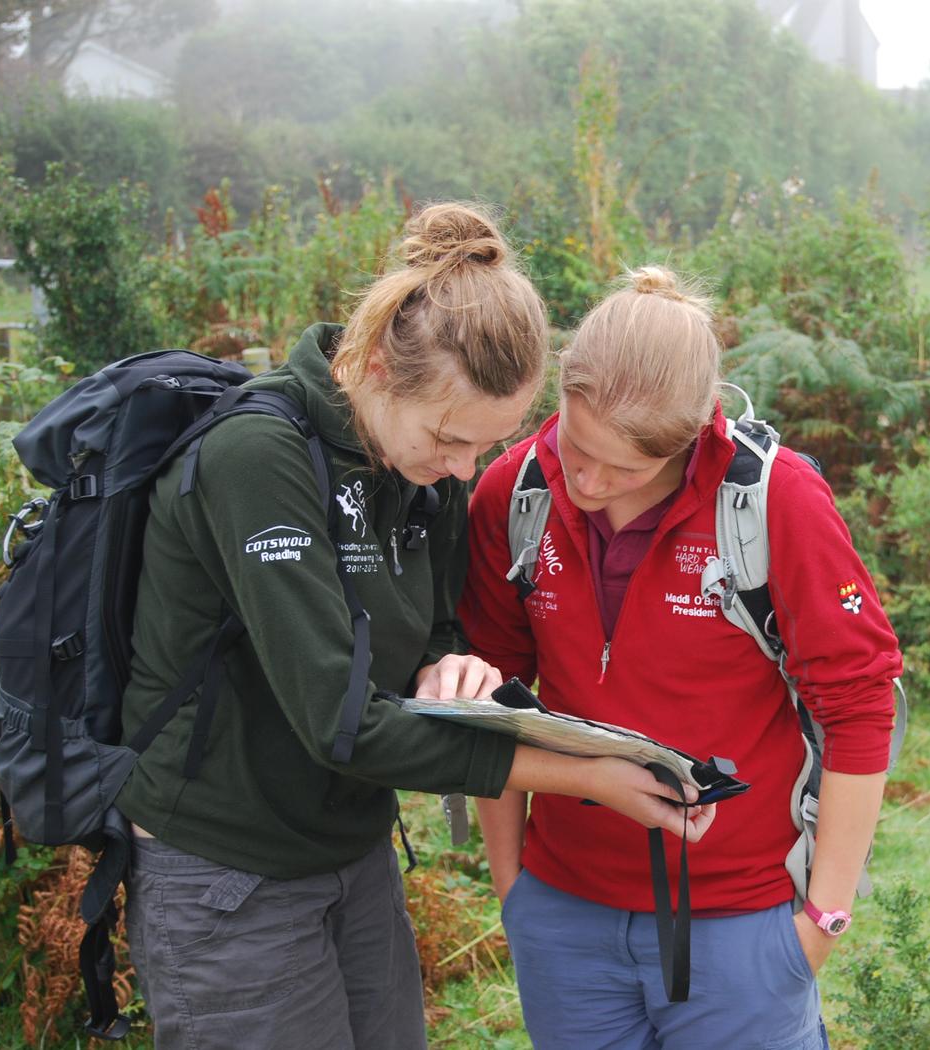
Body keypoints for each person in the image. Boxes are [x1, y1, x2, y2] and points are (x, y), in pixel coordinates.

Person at [115, 206, 713, 1050]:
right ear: (372, 368)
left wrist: (448, 667)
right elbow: (342, 722)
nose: (465, 470)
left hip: (349, 850)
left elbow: (434, 624)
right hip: (227, 867)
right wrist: (585, 775)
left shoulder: (419, 467)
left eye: (489, 445)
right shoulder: (257, 459)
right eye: (450, 439)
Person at [461, 266, 903, 1049]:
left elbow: (861, 704)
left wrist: (823, 918)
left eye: (626, 467)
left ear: (695, 432)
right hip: (563, 917)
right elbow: (490, 693)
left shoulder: (775, 502)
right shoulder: (513, 491)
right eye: (575, 445)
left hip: (742, 927)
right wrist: (512, 887)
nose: (587, 480)